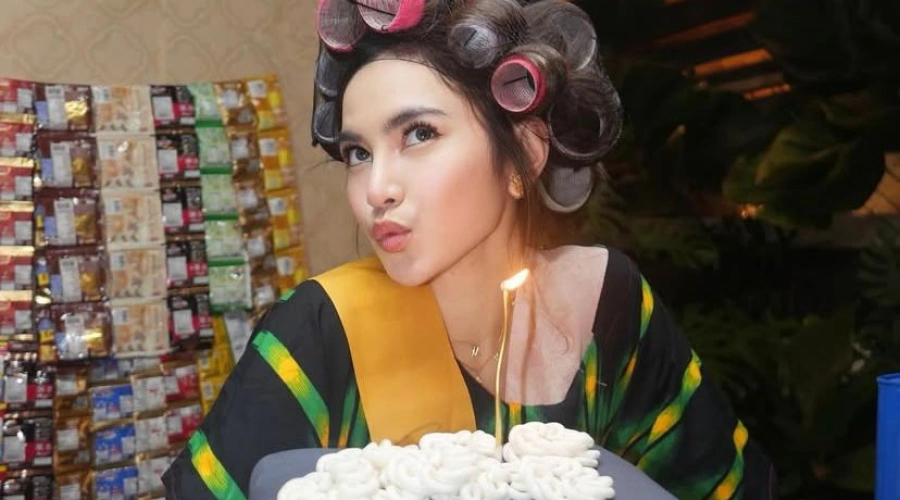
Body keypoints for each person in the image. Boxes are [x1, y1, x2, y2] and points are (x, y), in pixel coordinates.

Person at [163, 0, 776, 498]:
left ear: (525, 151)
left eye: (419, 133)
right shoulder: (323, 327)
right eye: (358, 153)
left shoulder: (608, 305)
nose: (376, 189)